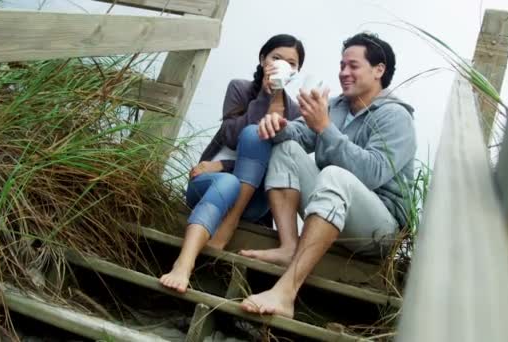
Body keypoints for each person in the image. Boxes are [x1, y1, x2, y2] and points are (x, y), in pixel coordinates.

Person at [239, 32, 417, 318]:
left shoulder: (396, 117)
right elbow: (298, 134)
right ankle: (288, 245)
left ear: (378, 70)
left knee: (336, 174)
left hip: (379, 231)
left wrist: (325, 127)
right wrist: (278, 125)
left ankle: (285, 293)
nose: (344, 72)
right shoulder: (335, 106)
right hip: (334, 211)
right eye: (342, 65)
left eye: (353, 66)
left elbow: (371, 174)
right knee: (286, 148)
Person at [159, 34, 305, 293]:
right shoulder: (240, 88)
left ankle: (230, 221)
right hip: (210, 184)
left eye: (291, 64)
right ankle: (183, 264)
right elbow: (232, 136)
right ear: (263, 59)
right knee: (249, 139)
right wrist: (264, 95)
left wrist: (224, 166)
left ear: (296, 71)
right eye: (276, 58)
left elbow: (277, 165)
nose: (282, 65)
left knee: (254, 142)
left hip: (253, 202)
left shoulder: (295, 113)